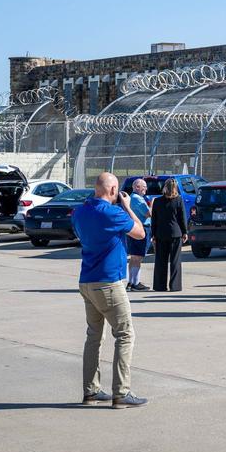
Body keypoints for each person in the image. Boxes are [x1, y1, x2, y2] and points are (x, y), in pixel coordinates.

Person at [71, 172, 148, 409]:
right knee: (125, 334)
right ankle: (121, 393)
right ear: (113, 191)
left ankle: (91, 391)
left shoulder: (80, 211)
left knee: (94, 336)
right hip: (108, 282)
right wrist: (127, 206)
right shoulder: (113, 213)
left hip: (87, 279)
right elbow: (140, 232)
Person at [151, 178, 188, 292]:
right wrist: (185, 231)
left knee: (160, 261)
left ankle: (159, 285)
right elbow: (182, 218)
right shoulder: (178, 200)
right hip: (175, 233)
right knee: (175, 261)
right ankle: (175, 286)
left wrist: (153, 234)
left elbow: (154, 220)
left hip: (161, 233)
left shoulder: (157, 201)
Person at [126, 178, 152, 292]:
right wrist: (153, 204)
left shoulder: (132, 198)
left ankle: (131, 282)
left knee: (133, 257)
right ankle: (135, 283)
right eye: (144, 186)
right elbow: (148, 214)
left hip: (133, 228)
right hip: (141, 229)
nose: (146, 189)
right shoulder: (138, 199)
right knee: (138, 257)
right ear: (137, 187)